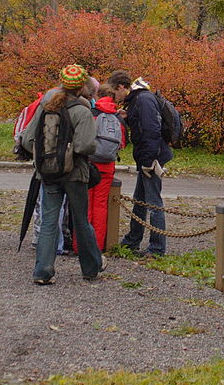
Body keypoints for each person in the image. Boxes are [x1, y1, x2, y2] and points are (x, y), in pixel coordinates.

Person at [21, 63, 106, 284]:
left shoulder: (44, 107)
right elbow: (85, 146)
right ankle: (91, 268)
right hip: (75, 174)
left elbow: (28, 141)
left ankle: (43, 272)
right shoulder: (82, 111)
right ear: (81, 87)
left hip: (47, 173)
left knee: (49, 221)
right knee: (80, 220)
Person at [107, 71, 173, 257]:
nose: (115, 96)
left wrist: (149, 161)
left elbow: (151, 130)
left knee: (153, 203)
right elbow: (144, 124)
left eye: (115, 92)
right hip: (147, 156)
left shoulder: (143, 100)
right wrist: (129, 116)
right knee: (140, 201)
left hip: (151, 158)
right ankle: (132, 241)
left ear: (121, 87)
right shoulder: (139, 99)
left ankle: (157, 248)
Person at [77, 84, 126, 252]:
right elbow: (122, 144)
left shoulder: (92, 114)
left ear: (97, 96)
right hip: (108, 167)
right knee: (101, 206)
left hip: (89, 165)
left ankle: (81, 246)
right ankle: (97, 246)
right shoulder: (118, 118)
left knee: (85, 205)